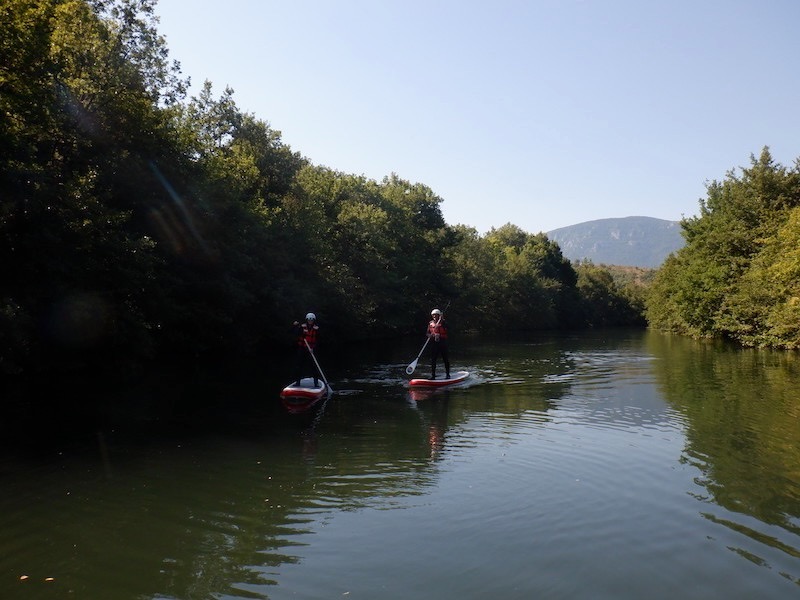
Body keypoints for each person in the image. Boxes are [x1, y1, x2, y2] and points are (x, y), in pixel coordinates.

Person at [292, 312, 320, 387]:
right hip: (302, 348)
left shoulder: (316, 329)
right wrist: (295, 326)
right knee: (299, 365)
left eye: (312, 320)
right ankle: (297, 382)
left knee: (314, 366)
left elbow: (318, 339)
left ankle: (316, 383)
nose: (310, 321)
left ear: (314, 320)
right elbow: (296, 333)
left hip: (311, 349)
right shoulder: (302, 327)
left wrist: (313, 348)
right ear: (306, 320)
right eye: (309, 320)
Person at [427, 308, 450, 380]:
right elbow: (427, 333)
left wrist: (442, 319)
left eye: (436, 315)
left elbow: (447, 327)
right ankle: (433, 375)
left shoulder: (443, 322)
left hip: (442, 342)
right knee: (433, 360)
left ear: (438, 315)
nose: (434, 316)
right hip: (434, 343)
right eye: (433, 315)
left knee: (445, 359)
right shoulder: (430, 323)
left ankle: (448, 374)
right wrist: (431, 335)